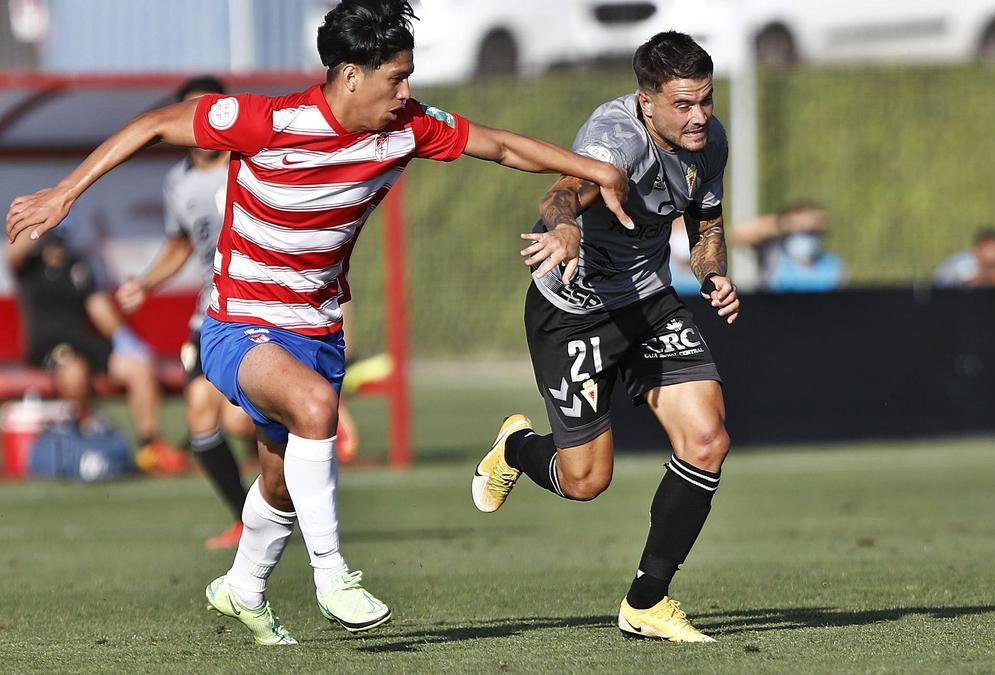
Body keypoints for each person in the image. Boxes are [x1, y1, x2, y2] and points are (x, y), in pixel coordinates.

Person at [6, 0, 631, 646]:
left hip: (317, 329)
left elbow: (499, 145)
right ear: (351, 76)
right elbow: (159, 124)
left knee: (279, 480)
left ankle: (242, 588)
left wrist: (593, 170)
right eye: (398, 77)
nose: (408, 92)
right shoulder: (269, 121)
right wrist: (64, 191)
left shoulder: (407, 128)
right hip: (237, 323)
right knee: (313, 405)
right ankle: (333, 575)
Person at [471, 31, 737, 643]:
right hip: (573, 312)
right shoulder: (616, 141)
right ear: (647, 102)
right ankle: (516, 449)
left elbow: (706, 222)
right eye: (683, 105)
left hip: (646, 303)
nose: (699, 117)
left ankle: (647, 600)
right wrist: (564, 231)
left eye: (706, 101)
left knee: (707, 438)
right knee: (587, 481)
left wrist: (713, 271)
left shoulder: (708, 139)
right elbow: (562, 191)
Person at [115, 75, 258, 549]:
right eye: (190, 112)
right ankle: (247, 521)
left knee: (243, 419)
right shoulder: (176, 182)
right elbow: (180, 244)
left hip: (259, 307)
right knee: (200, 413)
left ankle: (289, 502)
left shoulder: (250, 160)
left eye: (211, 109)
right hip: (210, 312)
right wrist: (147, 283)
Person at [6, 223, 188, 474]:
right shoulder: (30, 265)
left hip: (85, 343)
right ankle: (84, 433)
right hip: (49, 347)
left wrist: (123, 337)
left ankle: (150, 445)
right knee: (74, 368)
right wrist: (40, 220)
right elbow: (13, 254)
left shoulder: (78, 265)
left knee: (139, 367)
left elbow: (97, 305)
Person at [730, 201, 844, 291]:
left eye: (811, 232)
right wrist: (785, 222)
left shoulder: (832, 265)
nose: (806, 235)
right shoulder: (774, 255)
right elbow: (736, 233)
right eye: (801, 230)